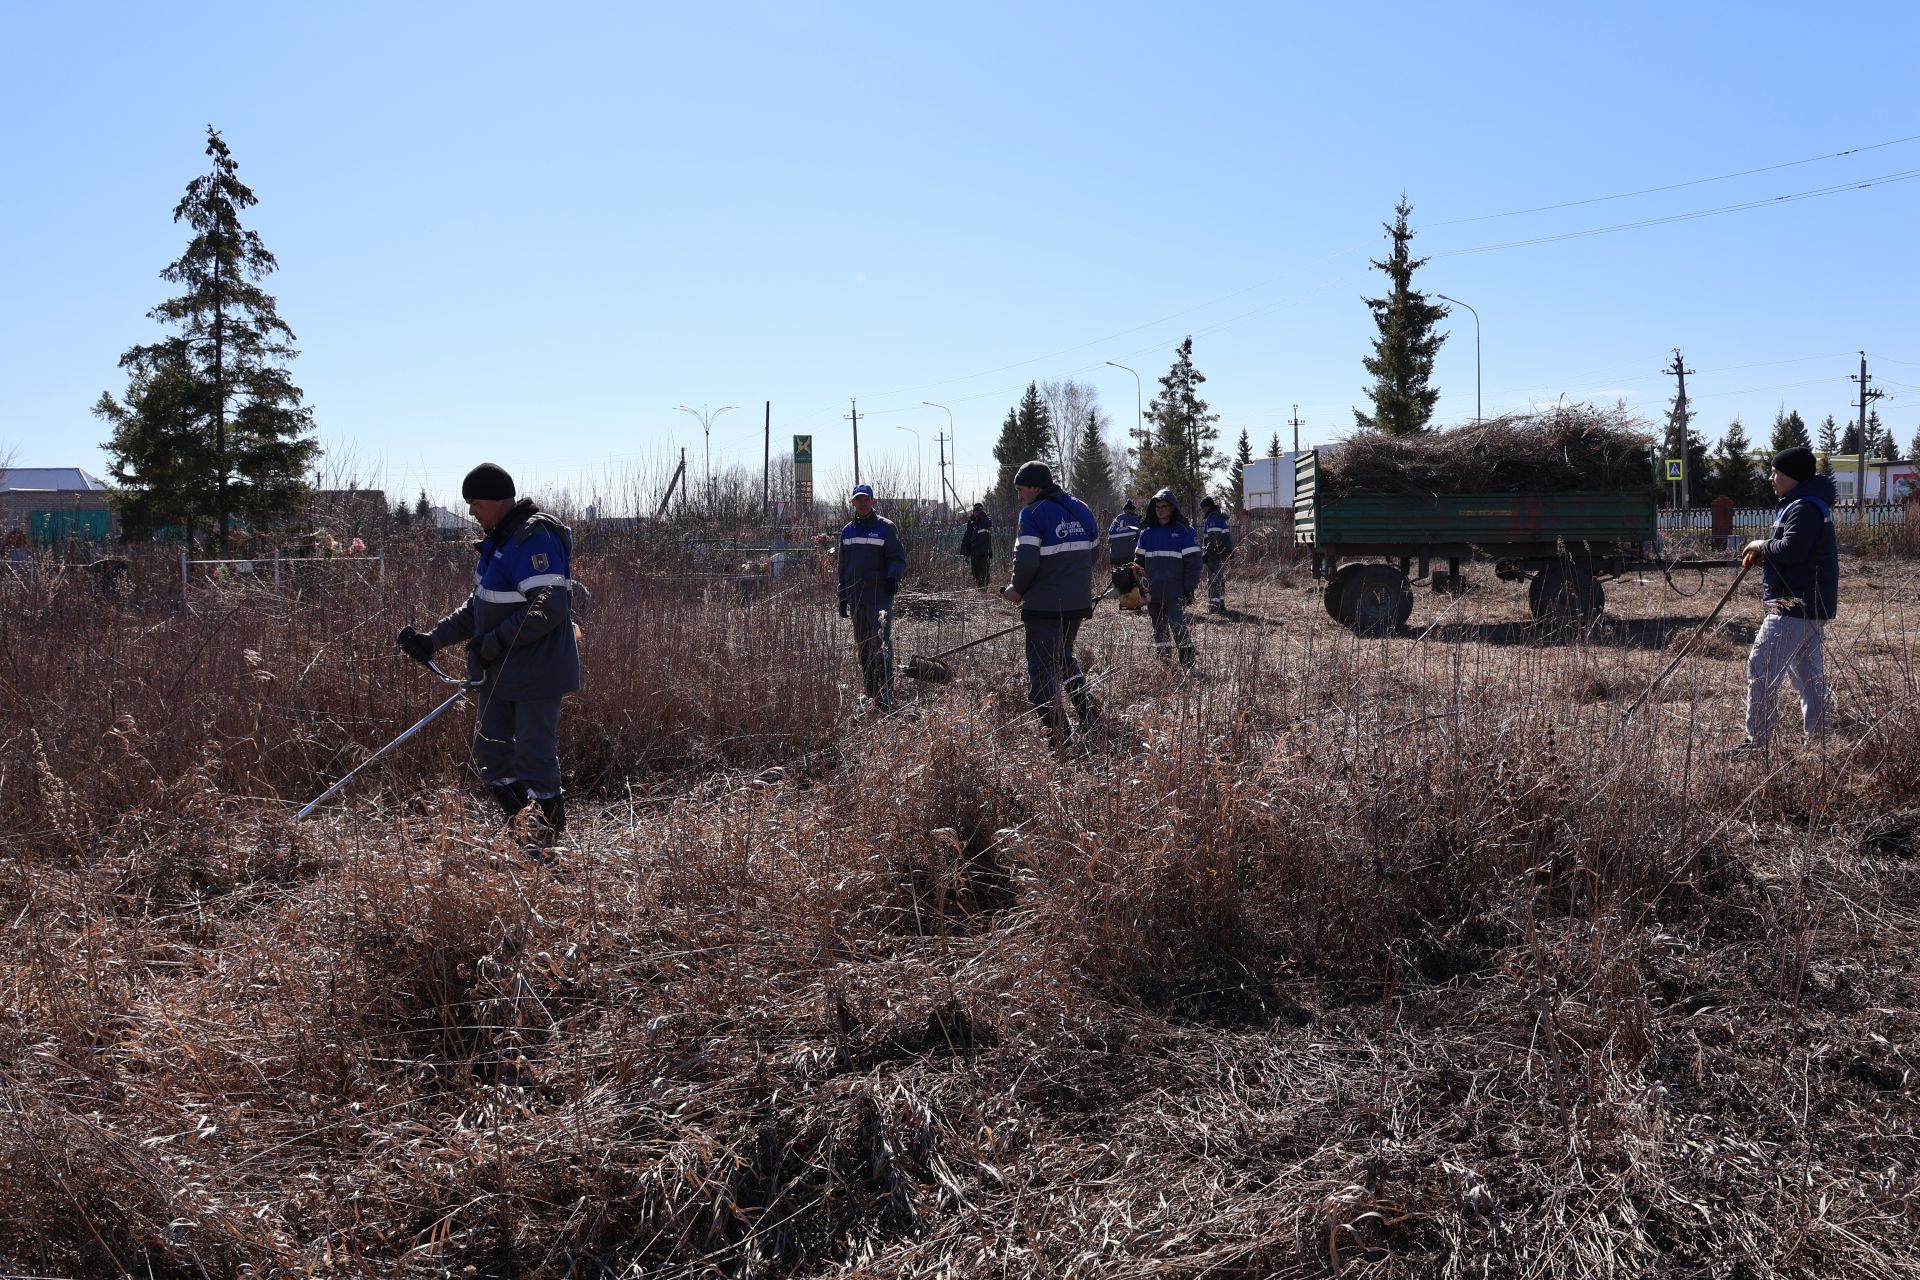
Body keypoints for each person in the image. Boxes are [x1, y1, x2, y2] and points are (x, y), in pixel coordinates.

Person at [396, 462, 579, 850]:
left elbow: (549, 608)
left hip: (537, 671)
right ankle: (521, 827)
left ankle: (546, 844)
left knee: (533, 756)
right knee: (491, 754)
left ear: (498, 500)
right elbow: (478, 607)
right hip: (500, 671)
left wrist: (492, 642)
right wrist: (433, 640)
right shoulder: (499, 541)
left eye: (475, 503)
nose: (471, 512)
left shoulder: (535, 537)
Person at [1730, 445, 1838, 756]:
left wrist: (1762, 545)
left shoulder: (1804, 507)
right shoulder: (1805, 504)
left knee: (1761, 667)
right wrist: (1769, 557)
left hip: (1793, 606)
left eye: (1776, 472)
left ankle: (1756, 744)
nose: (1771, 477)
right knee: (1808, 677)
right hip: (1808, 605)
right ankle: (1820, 743)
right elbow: (1797, 553)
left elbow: (1793, 549)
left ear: (1793, 476)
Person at [1001, 460, 1100, 747]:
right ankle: (1087, 712)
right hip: (1078, 602)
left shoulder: (1032, 513)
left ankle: (1060, 738)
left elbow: (1028, 560)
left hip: (1044, 604)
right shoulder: (1080, 508)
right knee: (1061, 656)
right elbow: (1093, 553)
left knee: (1042, 667)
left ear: (1035, 487)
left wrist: (1016, 590)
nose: (1020, 495)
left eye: (1021, 489)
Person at [838, 483, 907, 712]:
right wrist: (842, 596)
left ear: (873, 501)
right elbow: (843, 566)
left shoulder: (886, 528)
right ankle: (870, 694)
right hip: (857, 598)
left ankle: (886, 695)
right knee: (864, 647)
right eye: (858, 499)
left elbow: (898, 558)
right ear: (853, 503)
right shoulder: (847, 531)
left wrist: (893, 578)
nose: (862, 503)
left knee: (882, 646)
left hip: (879, 598)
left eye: (866, 499)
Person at [1134, 488, 1202, 669]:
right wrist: (1139, 588)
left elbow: (1194, 563)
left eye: (1164, 506)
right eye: (1157, 506)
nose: (1160, 510)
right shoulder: (1146, 532)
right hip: (1153, 590)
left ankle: (1187, 662)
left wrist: (1189, 588)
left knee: (1177, 625)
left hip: (1175, 590)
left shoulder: (1184, 531)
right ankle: (1164, 662)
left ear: (1172, 508)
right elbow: (1138, 563)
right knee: (1158, 627)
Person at [1198, 496, 1234, 613]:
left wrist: (1207, 553)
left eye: (1202, 508)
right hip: (1222, 553)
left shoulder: (1213, 519)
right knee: (1220, 578)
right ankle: (1220, 603)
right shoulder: (1219, 517)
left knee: (1213, 579)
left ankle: (1214, 606)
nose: (1202, 510)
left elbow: (1214, 538)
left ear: (1207, 507)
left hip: (1215, 554)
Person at [960, 502, 993, 589]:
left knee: (984, 574)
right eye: (974, 510)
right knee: (975, 573)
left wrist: (981, 513)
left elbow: (987, 524)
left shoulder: (985, 520)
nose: (975, 512)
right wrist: (966, 553)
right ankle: (980, 589)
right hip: (974, 553)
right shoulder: (971, 523)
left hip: (984, 553)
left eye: (977, 510)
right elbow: (967, 538)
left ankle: (984, 590)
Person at [1106, 499, 1141, 569]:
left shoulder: (1116, 521)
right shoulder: (1137, 519)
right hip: (1132, 557)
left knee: (1119, 576)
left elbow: (1109, 539)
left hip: (1116, 558)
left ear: (1124, 510)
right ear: (1133, 510)